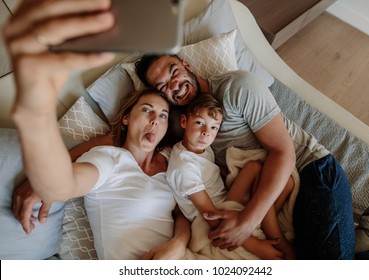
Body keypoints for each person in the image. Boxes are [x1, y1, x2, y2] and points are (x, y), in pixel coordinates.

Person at [4, 1, 191, 259]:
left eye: (162, 115)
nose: (155, 121)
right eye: (146, 110)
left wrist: (178, 244)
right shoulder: (107, 159)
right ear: (126, 119)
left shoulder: (171, 160)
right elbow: (66, 184)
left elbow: (183, 212)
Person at [134, 54, 355, 259]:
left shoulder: (237, 87)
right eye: (163, 86)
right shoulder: (178, 124)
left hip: (311, 170)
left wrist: (247, 223)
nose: (174, 85)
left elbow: (283, 152)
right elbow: (130, 139)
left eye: (174, 72)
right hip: (266, 192)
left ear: (187, 65)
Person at [166, 94, 296, 259]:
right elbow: (210, 216)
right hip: (212, 217)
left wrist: (224, 172)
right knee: (277, 182)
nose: (206, 133)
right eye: (199, 123)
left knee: (264, 172)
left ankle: (261, 220)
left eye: (214, 127)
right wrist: (255, 245)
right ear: (184, 122)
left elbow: (207, 168)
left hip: (223, 200)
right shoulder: (184, 168)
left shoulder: (195, 147)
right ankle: (275, 235)